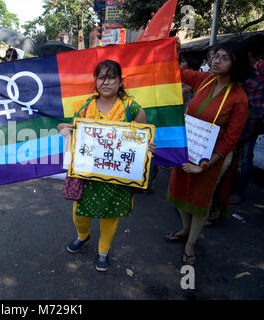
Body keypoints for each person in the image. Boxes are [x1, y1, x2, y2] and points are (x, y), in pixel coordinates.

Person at [57, 60, 156, 272]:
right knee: (79, 213)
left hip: (117, 175)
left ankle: (103, 250)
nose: (106, 82)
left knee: (110, 214)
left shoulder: (132, 107)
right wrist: (63, 128)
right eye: (101, 77)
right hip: (87, 174)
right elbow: (70, 128)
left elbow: (144, 137)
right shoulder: (86, 106)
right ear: (96, 81)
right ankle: (83, 235)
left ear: (121, 82)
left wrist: (148, 147)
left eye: (112, 78)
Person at [165, 41, 250, 265]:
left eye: (224, 58)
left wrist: (203, 165)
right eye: (215, 56)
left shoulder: (239, 98)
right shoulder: (204, 80)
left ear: (236, 64)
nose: (215, 61)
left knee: (200, 200)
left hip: (214, 157)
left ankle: (191, 243)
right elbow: (177, 72)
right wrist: (173, 51)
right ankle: (185, 230)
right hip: (188, 147)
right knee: (179, 191)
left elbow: (231, 140)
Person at [230, 38, 264, 204]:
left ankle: (238, 191)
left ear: (248, 53)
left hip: (252, 117)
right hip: (241, 116)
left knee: (245, 157)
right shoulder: (245, 69)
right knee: (235, 154)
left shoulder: (258, 68)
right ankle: (231, 188)